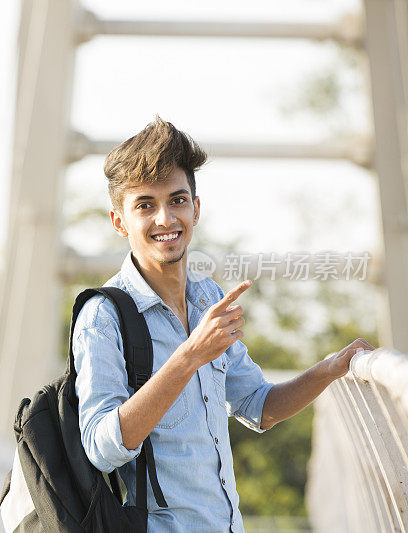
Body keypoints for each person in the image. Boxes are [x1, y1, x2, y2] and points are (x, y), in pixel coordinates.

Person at [72, 116, 375, 532]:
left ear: (195, 209)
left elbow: (258, 407)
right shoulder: (102, 319)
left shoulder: (207, 298)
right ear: (119, 221)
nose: (165, 219)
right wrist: (189, 357)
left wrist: (330, 369)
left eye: (177, 200)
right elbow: (101, 447)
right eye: (145, 205)